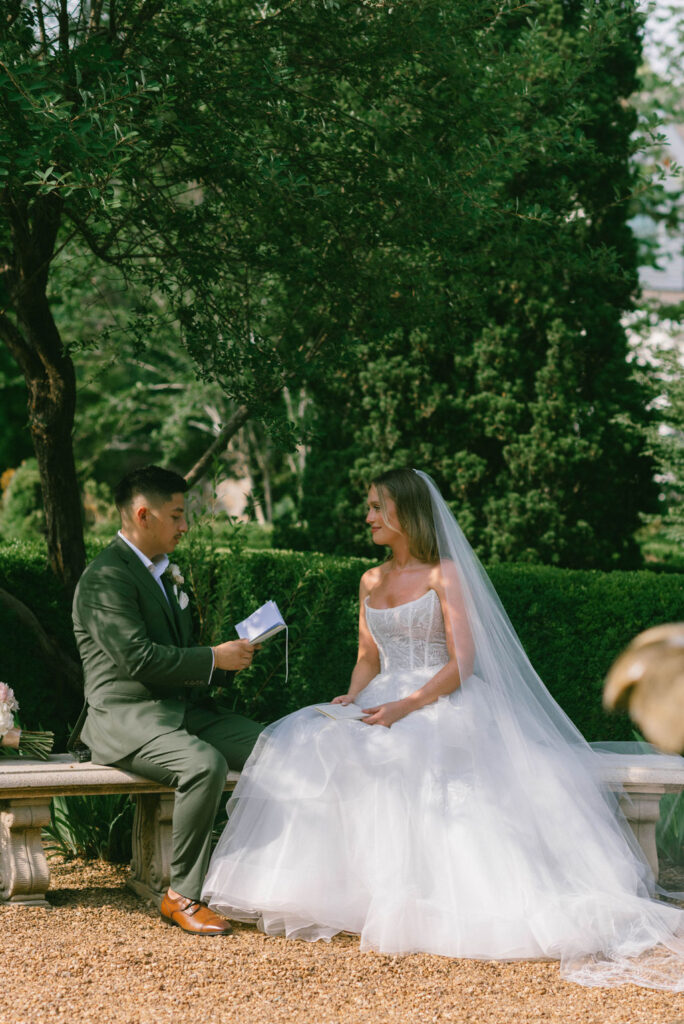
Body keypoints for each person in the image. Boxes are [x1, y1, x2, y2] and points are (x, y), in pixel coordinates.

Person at [202, 468, 684, 988]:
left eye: (375, 507)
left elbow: (462, 663)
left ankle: (432, 903)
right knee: (316, 743)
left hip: (443, 697)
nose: (367, 517)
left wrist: (406, 706)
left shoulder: (443, 574)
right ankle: (351, 894)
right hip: (383, 697)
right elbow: (368, 658)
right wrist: (352, 696)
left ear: (404, 513)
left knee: (416, 760)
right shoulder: (370, 579)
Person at [72, 465, 263, 935]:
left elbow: (177, 658)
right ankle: (181, 896)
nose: (185, 526)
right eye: (177, 515)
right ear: (143, 514)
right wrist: (212, 658)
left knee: (274, 746)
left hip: (181, 711)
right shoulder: (104, 580)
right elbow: (137, 660)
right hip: (125, 718)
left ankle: (270, 877)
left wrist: (226, 662)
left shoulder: (162, 574)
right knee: (202, 765)